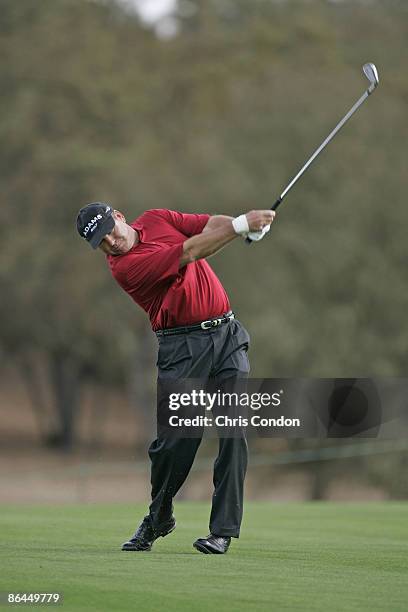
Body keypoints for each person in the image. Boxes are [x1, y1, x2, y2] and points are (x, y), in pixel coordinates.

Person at [76, 203, 275, 554]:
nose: (110, 241)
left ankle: (222, 532)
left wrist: (241, 227)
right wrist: (243, 225)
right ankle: (158, 517)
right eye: (100, 241)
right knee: (175, 444)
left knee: (233, 431)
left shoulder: (156, 218)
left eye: (110, 230)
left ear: (120, 216)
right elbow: (191, 250)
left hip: (227, 335)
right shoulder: (126, 268)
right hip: (182, 348)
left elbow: (207, 224)